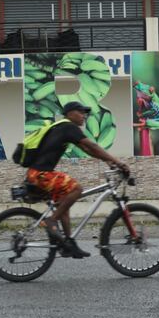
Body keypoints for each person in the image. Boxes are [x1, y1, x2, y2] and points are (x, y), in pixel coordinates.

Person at [26, 101, 130, 258]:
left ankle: (68, 244)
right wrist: (118, 162)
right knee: (76, 189)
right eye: (80, 112)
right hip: (41, 174)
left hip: (37, 174)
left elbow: (88, 150)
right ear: (70, 114)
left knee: (64, 203)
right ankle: (51, 221)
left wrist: (108, 161)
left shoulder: (64, 129)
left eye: (85, 113)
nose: (84, 116)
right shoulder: (68, 126)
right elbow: (93, 146)